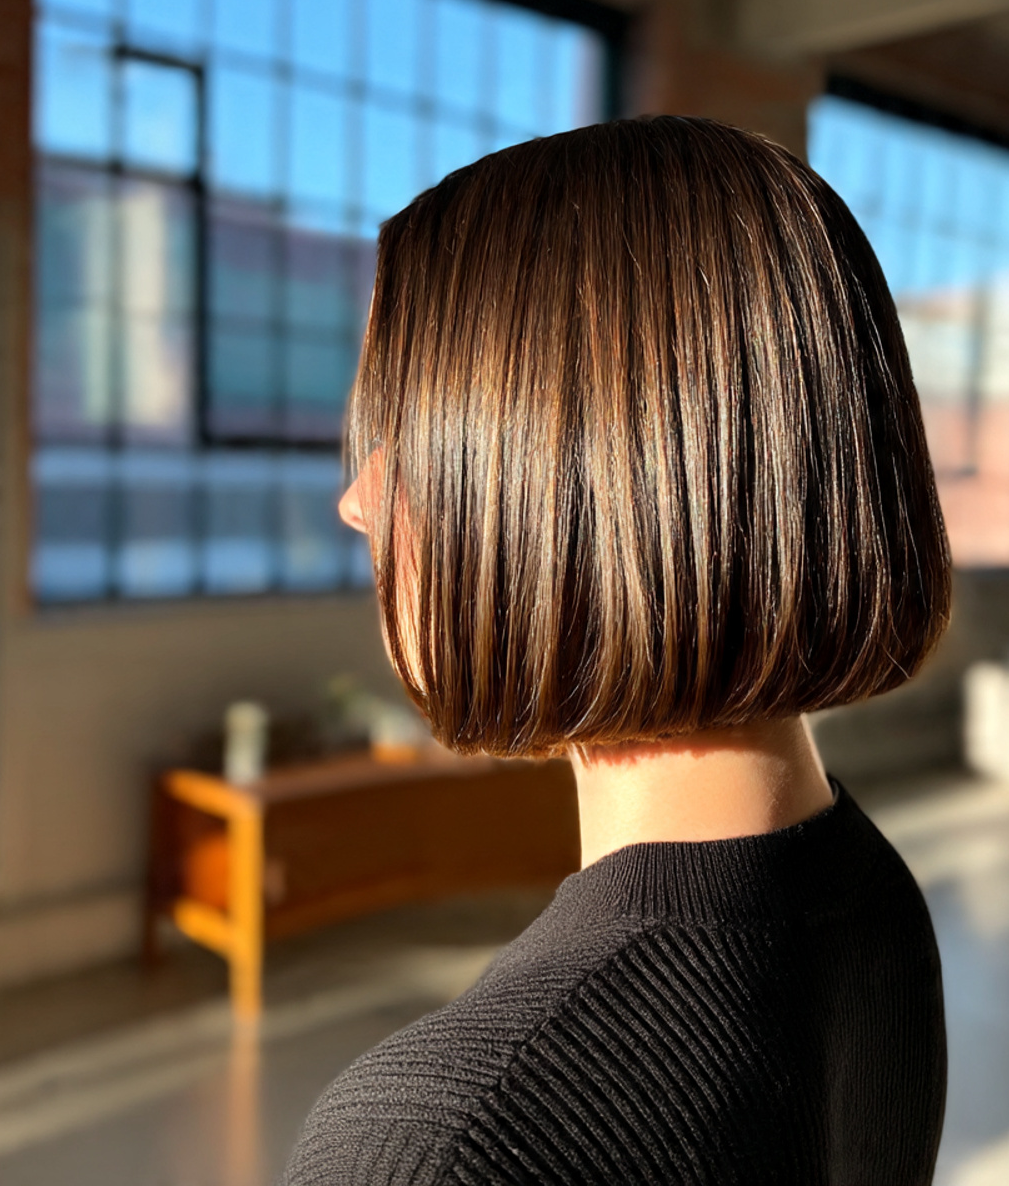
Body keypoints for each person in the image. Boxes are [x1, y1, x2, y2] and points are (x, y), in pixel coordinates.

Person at [284, 115, 950, 1185]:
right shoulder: (869, 895)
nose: (358, 499)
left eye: (401, 430)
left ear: (573, 471)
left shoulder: (434, 1147)